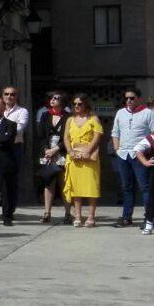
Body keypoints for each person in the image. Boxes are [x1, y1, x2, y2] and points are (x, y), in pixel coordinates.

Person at [110, 89, 154, 228]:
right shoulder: (120, 113)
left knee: (145, 187)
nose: (129, 101)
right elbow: (115, 132)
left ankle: (149, 218)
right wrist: (117, 149)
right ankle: (126, 217)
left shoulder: (148, 113)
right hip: (123, 155)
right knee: (126, 187)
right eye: (126, 98)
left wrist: (146, 150)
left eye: (132, 98)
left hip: (140, 155)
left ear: (138, 98)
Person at [63, 96, 104, 228]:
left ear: (86, 104)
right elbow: (66, 138)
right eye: (74, 104)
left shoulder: (94, 119)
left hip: (89, 156)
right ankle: (77, 216)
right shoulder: (70, 120)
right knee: (76, 188)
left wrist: (88, 151)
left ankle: (91, 217)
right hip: (74, 156)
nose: (77, 106)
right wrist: (70, 151)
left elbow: (98, 136)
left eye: (79, 103)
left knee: (91, 186)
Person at [34, 92, 67, 224]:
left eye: (56, 98)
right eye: (52, 98)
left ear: (62, 101)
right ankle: (47, 212)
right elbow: (40, 135)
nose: (53, 100)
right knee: (48, 182)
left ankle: (68, 213)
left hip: (62, 152)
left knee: (64, 183)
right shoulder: (45, 115)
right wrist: (46, 150)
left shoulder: (68, 117)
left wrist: (56, 149)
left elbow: (68, 137)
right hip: (47, 153)